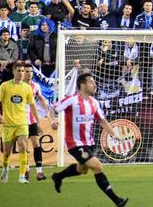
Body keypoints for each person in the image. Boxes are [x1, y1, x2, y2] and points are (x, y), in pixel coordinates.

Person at [48, 71, 129, 205]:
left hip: (89, 142)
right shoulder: (72, 99)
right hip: (74, 143)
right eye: (91, 82)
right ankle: (117, 200)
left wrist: (115, 134)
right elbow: (52, 109)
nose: (94, 84)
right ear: (82, 84)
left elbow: (102, 121)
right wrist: (52, 121)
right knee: (97, 166)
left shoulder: (94, 102)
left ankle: (58, 176)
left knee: (82, 170)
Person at [0, 60, 34, 184]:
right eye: (19, 71)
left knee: (23, 147)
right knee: (7, 152)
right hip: (8, 124)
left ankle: (22, 176)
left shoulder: (27, 88)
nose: (21, 73)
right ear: (13, 71)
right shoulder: (5, 86)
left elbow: (32, 105)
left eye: (23, 71)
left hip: (22, 123)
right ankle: (5, 168)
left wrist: (37, 121)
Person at [23, 61, 50, 181]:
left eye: (31, 72)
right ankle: (26, 168)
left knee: (36, 144)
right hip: (20, 120)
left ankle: (39, 172)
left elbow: (41, 99)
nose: (29, 74)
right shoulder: (16, 86)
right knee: (23, 146)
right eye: (27, 71)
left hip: (32, 119)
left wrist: (47, 111)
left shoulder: (36, 86)